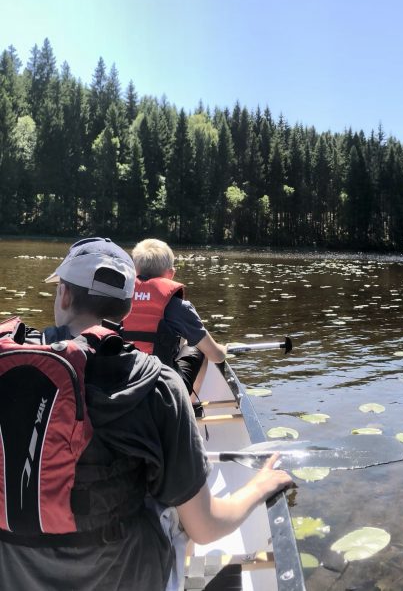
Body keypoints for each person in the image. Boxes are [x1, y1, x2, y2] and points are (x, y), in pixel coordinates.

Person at [0, 237, 293, 590]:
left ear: (63, 295)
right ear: (125, 308)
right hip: (128, 574)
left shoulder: (7, 368)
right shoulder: (159, 385)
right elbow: (206, 528)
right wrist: (259, 487)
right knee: (177, 512)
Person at [122, 238, 227, 398]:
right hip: (162, 390)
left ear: (134, 270)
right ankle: (190, 409)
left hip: (121, 382)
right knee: (200, 348)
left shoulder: (117, 300)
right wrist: (223, 350)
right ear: (170, 274)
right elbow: (216, 356)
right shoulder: (179, 306)